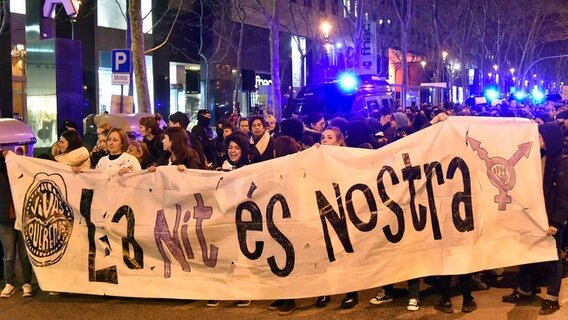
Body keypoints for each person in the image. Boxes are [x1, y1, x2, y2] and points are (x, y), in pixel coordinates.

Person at [502, 122, 568, 316]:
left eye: (540, 137)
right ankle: (525, 290)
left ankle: (552, 298)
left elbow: (563, 195)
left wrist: (556, 222)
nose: (538, 140)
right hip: (537, 216)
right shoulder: (544, 157)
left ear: (549, 139)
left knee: (553, 257)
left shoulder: (562, 162)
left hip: (551, 219)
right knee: (529, 253)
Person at [0, 151, 33, 298]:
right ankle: (9, 283)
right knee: (9, 254)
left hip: (22, 217)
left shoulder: (20, 166)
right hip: (5, 218)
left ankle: (27, 283)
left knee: (25, 254)